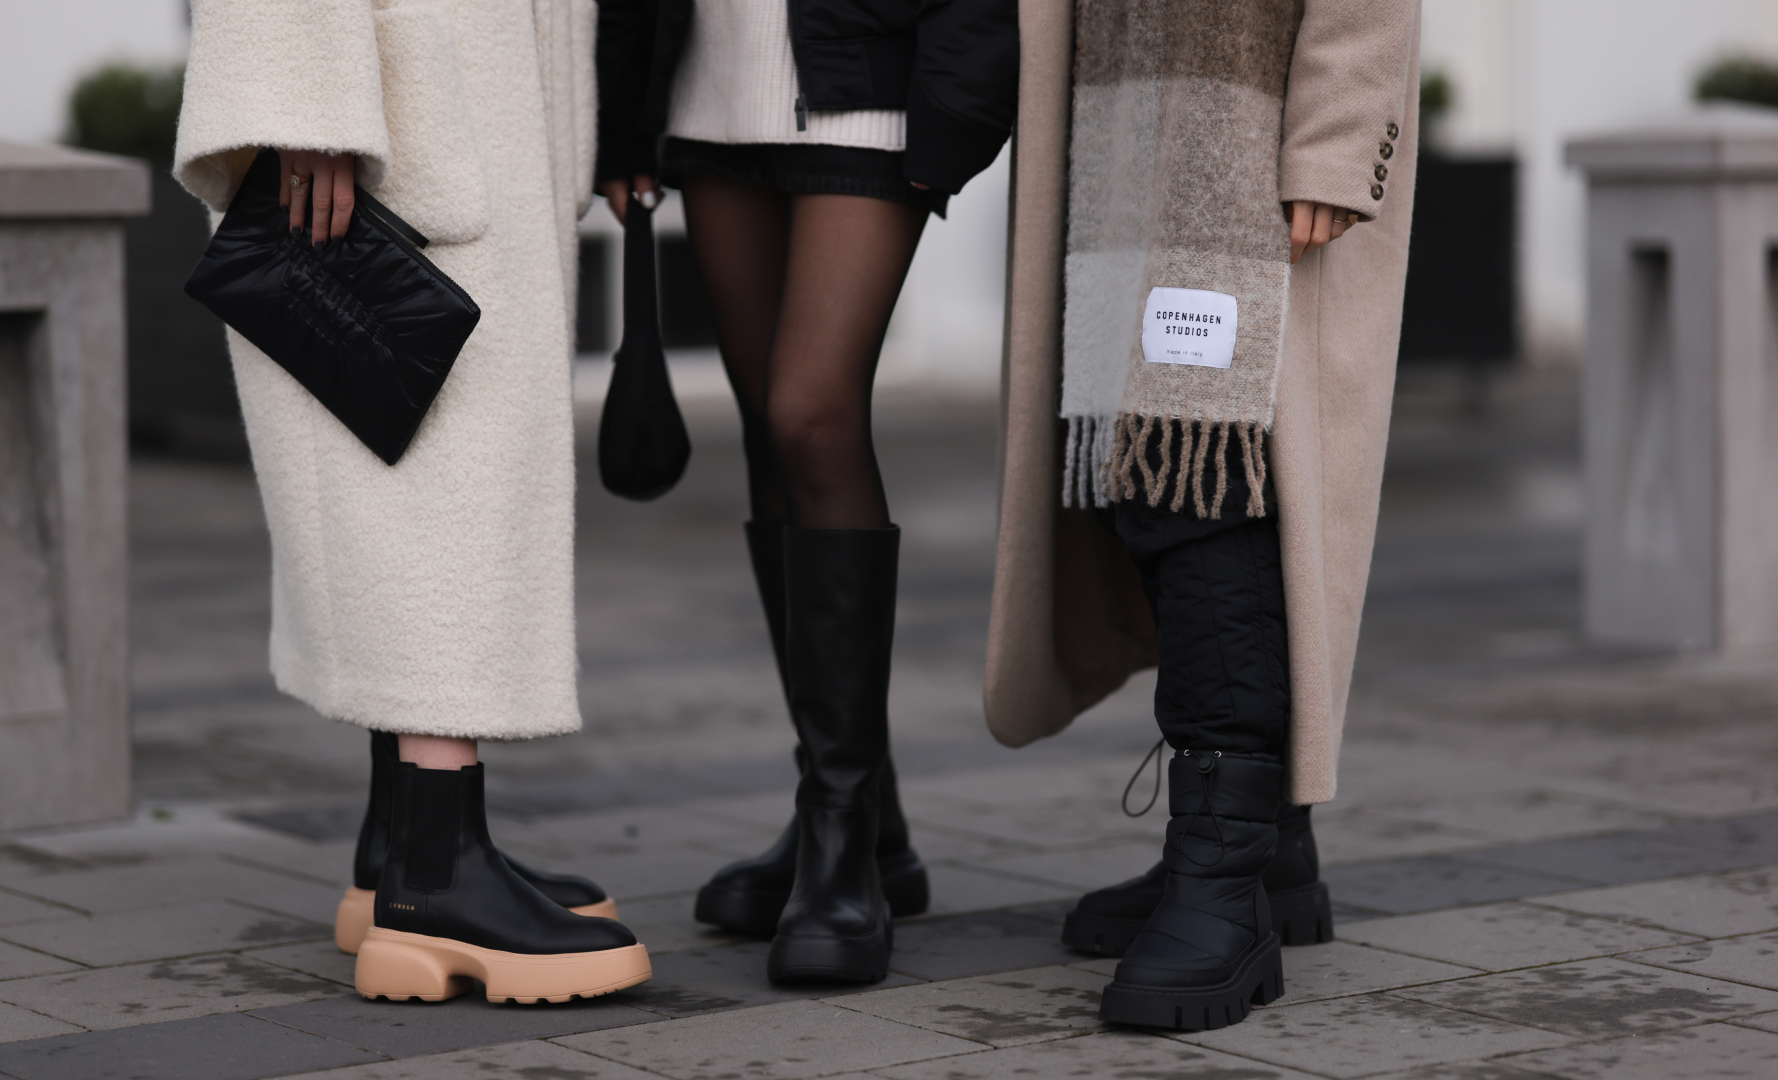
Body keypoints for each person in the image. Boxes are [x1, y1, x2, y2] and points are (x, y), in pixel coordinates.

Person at [172, 0, 651, 1004]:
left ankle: (401, 842)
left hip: (461, 101)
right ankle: (435, 879)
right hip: (390, 113)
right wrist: (307, 101)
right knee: (429, 493)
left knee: (431, 481)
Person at [984, 0, 1422, 1031]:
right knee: (1147, 476)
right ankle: (1270, 851)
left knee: (1210, 481)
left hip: (1251, 135)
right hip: (1121, 131)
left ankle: (1221, 884)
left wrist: (1338, 139)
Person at [594, 0, 1018, 983]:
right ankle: (862, 818)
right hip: (707, 95)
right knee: (768, 435)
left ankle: (840, 830)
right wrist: (622, 120)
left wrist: (960, 108)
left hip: (866, 94)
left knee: (808, 417)